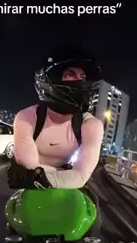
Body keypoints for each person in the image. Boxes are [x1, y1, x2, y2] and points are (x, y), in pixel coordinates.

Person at [7, 50, 104, 192]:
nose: (80, 81)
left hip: (52, 187)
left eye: (82, 77)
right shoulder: (27, 118)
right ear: (52, 79)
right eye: (70, 74)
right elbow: (30, 169)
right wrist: (65, 176)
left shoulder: (91, 125)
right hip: (42, 188)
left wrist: (37, 177)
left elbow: (81, 175)